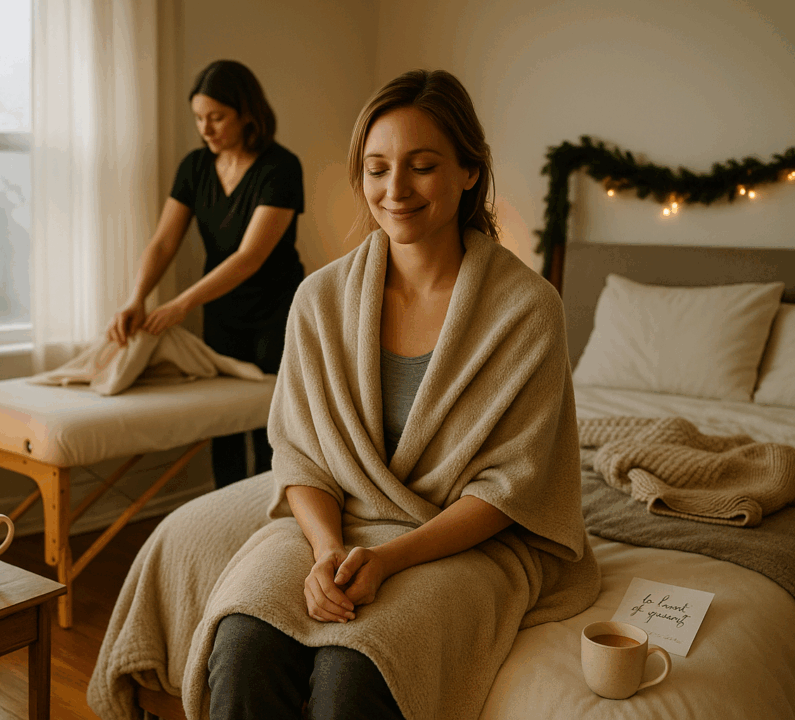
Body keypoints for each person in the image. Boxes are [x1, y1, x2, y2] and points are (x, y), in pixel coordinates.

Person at [196, 69, 601, 719]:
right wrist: (328, 550)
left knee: (352, 675)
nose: (396, 190)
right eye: (377, 168)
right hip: (337, 527)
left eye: (423, 166)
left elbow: (511, 487)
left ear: (469, 171)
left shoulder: (527, 310)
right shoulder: (319, 301)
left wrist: (387, 559)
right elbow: (300, 457)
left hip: (465, 541)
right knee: (242, 647)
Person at [105, 60, 305, 488]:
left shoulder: (281, 168)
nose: (205, 129)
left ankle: (273, 510)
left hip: (276, 312)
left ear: (246, 113)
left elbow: (250, 257)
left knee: (269, 422)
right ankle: (225, 513)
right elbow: (163, 243)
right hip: (221, 309)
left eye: (216, 117)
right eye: (198, 118)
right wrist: (137, 298)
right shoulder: (195, 167)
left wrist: (181, 304)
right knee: (224, 423)